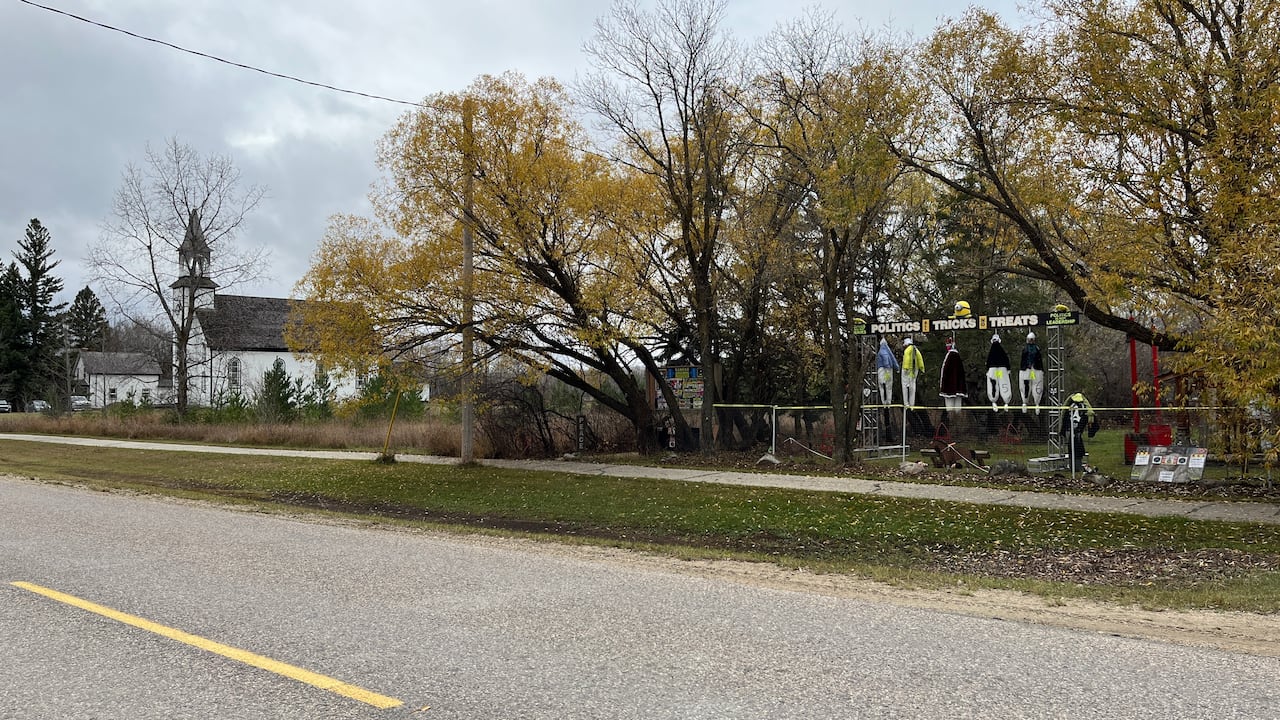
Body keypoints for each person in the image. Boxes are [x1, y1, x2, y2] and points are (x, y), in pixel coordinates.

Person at [1060, 391, 1098, 472]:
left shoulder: (1079, 406)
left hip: (1075, 430)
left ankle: (1076, 466)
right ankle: (1074, 466)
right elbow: (1064, 416)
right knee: (1073, 447)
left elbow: (1089, 416)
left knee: (1075, 446)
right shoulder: (1076, 406)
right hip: (1073, 430)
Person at [1020, 331, 1045, 413]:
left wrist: (1041, 369)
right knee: (1026, 386)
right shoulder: (1025, 349)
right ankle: (1025, 402)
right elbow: (1023, 360)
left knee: (1036, 385)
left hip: (1035, 370)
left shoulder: (1036, 349)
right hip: (1027, 370)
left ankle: (1037, 403)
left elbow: (1039, 360)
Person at [986, 333, 1012, 411]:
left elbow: (988, 361)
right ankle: (1006, 402)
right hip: (1001, 369)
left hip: (993, 369)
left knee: (993, 385)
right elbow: (1006, 359)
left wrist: (988, 369)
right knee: (1004, 383)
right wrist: (1008, 368)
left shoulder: (991, 351)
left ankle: (993, 401)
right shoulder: (1001, 350)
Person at [901, 337, 925, 408]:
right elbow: (920, 358)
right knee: (912, 386)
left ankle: (906, 403)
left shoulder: (907, 350)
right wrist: (922, 367)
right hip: (915, 370)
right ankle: (912, 403)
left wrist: (905, 368)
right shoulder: (916, 349)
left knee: (904, 386)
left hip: (907, 370)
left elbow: (906, 359)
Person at [874, 337, 899, 407]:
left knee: (881, 385)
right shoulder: (888, 350)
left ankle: (884, 402)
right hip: (888, 369)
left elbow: (885, 358)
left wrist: (886, 366)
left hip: (883, 370)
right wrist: (897, 367)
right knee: (889, 386)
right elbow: (893, 359)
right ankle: (888, 401)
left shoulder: (881, 351)